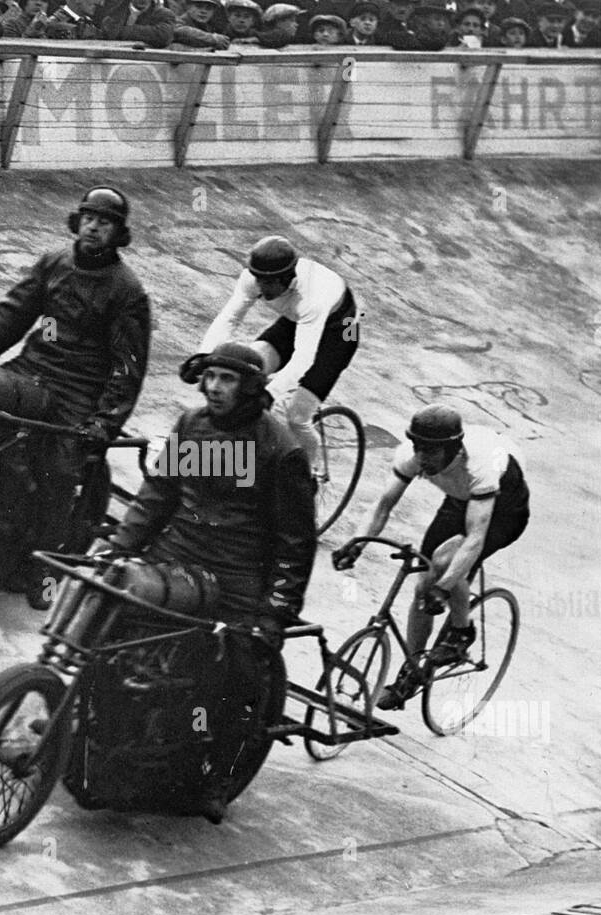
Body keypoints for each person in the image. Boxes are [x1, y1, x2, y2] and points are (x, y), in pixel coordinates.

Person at [97, 343, 316, 821]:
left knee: (234, 675)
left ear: (251, 388)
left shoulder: (280, 449)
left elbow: (296, 543)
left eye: (228, 379)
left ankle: (217, 774)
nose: (215, 387)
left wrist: (274, 613)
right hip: (176, 551)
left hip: (236, 573)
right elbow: (159, 494)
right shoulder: (192, 425)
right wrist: (121, 544)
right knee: (107, 613)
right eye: (211, 376)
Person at [0, 187, 152, 604]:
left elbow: (128, 366)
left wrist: (104, 421)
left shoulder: (127, 291)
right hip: (31, 369)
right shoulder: (54, 262)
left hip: (78, 391)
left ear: (118, 233)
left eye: (106, 222)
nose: (95, 227)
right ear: (78, 222)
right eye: (90, 218)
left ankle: (45, 567)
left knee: (58, 470)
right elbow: (14, 311)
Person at [333, 404, 530, 711]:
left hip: (505, 508)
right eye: (418, 448)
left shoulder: (479, 466)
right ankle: (411, 672)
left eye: (432, 451)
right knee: (423, 583)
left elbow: (475, 539)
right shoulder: (413, 458)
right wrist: (356, 543)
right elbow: (383, 505)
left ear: (453, 448)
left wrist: (446, 586)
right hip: (460, 499)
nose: (423, 458)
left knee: (443, 564)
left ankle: (461, 634)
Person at [188, 236, 359, 476]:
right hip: (294, 322)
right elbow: (230, 318)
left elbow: (303, 359)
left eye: (266, 283)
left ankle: (309, 476)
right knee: (243, 368)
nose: (259, 287)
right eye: (257, 279)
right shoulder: (255, 278)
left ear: (286, 279)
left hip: (341, 332)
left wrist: (270, 393)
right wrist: (203, 357)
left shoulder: (312, 298)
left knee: (297, 415)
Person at [99, 0, 178, 45]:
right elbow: (108, 31)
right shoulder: (114, 11)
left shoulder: (164, 14)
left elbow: (164, 36)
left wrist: (125, 31)